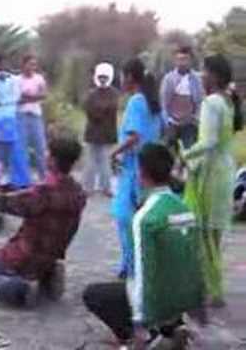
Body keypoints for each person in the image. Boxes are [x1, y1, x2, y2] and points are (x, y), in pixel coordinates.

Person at [84, 144, 204, 350]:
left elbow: (142, 271)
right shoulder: (186, 210)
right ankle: (173, 328)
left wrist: (139, 323)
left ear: (141, 173)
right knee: (163, 280)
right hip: (184, 300)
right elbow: (195, 262)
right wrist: (197, 306)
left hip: (158, 301)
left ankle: (145, 338)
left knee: (93, 294)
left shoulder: (145, 217)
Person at [0, 133, 86, 306]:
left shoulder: (43, 193)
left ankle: (18, 288)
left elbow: (5, 202)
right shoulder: (78, 193)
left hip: (23, 256)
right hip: (50, 255)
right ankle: (47, 275)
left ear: (52, 159)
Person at [182, 54, 239, 306]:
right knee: (214, 236)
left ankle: (211, 290)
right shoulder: (227, 101)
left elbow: (208, 142)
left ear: (214, 76)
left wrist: (184, 154)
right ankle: (214, 288)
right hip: (226, 169)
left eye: (204, 71)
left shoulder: (211, 103)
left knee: (205, 235)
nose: (200, 75)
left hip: (212, 174)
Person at [111, 58, 163, 278]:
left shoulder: (136, 102)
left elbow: (134, 136)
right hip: (150, 165)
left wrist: (114, 152)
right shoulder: (153, 102)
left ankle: (131, 265)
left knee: (124, 216)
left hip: (134, 167)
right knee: (142, 215)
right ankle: (139, 264)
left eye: (123, 75)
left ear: (130, 77)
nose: (121, 80)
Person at [0, 55, 30, 188]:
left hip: (11, 116)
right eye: (0, 64)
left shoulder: (14, 79)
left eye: (6, 63)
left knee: (15, 148)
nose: (3, 66)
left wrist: (3, 101)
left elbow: (17, 96)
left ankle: (19, 180)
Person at [82, 62, 119, 197]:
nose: (103, 79)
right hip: (92, 132)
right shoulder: (92, 93)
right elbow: (89, 109)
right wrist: (101, 111)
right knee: (90, 162)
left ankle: (106, 188)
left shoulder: (114, 94)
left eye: (105, 77)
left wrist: (99, 111)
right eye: (101, 77)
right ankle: (87, 188)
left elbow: (110, 108)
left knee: (105, 162)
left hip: (106, 133)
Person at [160, 46, 204, 149]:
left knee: (190, 152)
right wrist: (168, 121)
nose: (182, 63)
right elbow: (164, 103)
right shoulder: (169, 79)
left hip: (190, 122)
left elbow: (199, 101)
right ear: (175, 61)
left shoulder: (196, 79)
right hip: (172, 122)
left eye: (185, 59)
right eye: (180, 60)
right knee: (168, 151)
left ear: (190, 61)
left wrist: (195, 119)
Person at [18, 55, 48, 181]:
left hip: (35, 115)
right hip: (21, 115)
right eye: (29, 64)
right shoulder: (17, 80)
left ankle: (43, 176)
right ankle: (25, 177)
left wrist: (29, 97)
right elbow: (17, 99)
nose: (32, 67)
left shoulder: (39, 79)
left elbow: (44, 95)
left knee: (40, 147)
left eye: (34, 65)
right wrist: (33, 97)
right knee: (22, 148)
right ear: (23, 65)